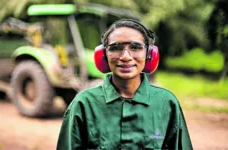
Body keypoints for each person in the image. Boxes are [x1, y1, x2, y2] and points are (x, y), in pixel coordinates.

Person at [57, 19, 193, 150]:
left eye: (135, 47)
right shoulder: (84, 104)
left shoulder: (166, 104)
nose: (126, 56)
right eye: (115, 48)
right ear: (104, 55)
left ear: (149, 54)